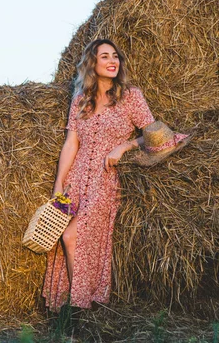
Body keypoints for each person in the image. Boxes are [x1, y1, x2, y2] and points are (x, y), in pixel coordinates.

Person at [42, 38, 156, 311]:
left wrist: (124, 146)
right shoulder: (81, 100)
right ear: (92, 64)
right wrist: (59, 185)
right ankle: (75, 307)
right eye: (104, 56)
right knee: (68, 240)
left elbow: (152, 132)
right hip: (77, 179)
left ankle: (80, 307)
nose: (112, 61)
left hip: (106, 180)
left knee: (72, 236)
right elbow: (71, 143)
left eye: (115, 56)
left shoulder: (131, 96)